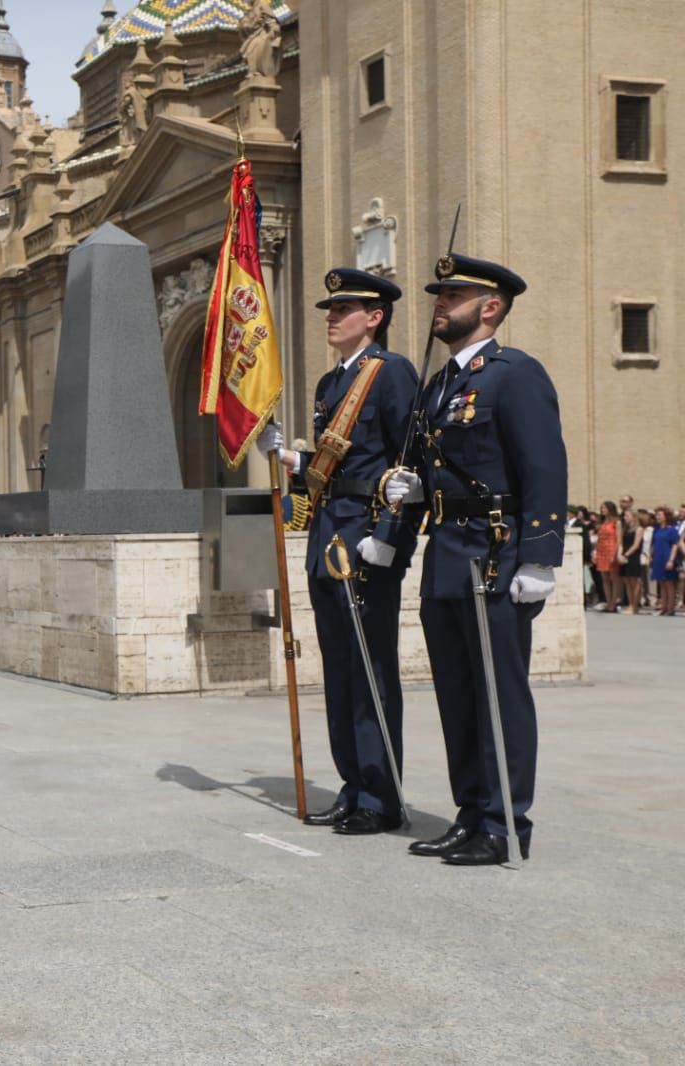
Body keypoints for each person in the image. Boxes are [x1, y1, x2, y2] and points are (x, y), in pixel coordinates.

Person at [385, 254, 567, 866]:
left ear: (490, 307)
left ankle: (505, 820)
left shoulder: (514, 374)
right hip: (447, 553)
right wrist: (408, 500)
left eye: (455, 294)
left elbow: (543, 465)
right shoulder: (439, 384)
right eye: (440, 293)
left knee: (499, 692)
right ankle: (471, 813)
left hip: (496, 552)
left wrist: (541, 556)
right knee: (458, 693)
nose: (440, 301)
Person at [257, 268, 419, 835]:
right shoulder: (331, 385)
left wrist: (389, 538)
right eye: (330, 307)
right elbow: (332, 473)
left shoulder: (392, 374)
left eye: (344, 308)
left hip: (366, 542)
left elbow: (408, 466)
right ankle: (353, 783)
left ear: (374, 318)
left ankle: (381, 795)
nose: (332, 315)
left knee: (371, 669)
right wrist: (289, 460)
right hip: (328, 534)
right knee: (339, 670)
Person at [650, 506, 681, 616]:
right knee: (662, 584)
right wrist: (651, 555)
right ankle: (663, 607)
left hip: (667, 558)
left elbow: (675, 545)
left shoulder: (672, 530)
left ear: (666, 516)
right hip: (658, 558)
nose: (657, 517)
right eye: (656, 515)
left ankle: (670, 608)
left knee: (669, 584)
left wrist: (671, 560)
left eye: (659, 515)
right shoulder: (657, 529)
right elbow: (654, 544)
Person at [593, 500, 621, 612]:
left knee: (613, 578)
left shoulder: (616, 522)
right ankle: (608, 601)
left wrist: (615, 553)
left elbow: (619, 539)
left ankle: (613, 603)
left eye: (604, 508)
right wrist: (595, 552)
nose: (602, 510)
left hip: (611, 550)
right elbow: (598, 538)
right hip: (601, 550)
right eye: (601, 508)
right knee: (604, 578)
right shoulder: (602, 522)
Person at [617, 507, 644, 614]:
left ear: (634, 517)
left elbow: (636, 545)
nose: (625, 518)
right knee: (627, 581)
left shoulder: (639, 529)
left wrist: (626, 555)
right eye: (625, 516)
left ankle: (635, 606)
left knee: (634, 581)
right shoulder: (625, 529)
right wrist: (620, 554)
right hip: (624, 555)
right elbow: (621, 543)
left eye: (627, 516)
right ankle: (630, 604)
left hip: (633, 556)